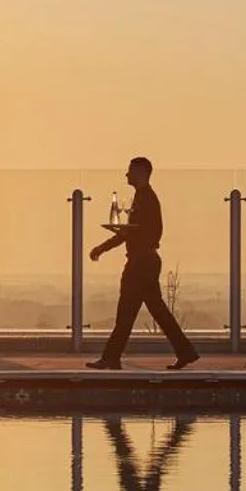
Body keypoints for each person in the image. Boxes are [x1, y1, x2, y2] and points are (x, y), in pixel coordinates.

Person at [86, 156, 200, 370]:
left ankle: (111, 357)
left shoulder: (145, 198)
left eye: (130, 171)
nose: (126, 174)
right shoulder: (144, 197)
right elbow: (137, 232)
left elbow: (133, 233)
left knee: (126, 312)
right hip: (146, 262)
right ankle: (185, 351)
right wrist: (107, 245)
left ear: (141, 172)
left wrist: (102, 247)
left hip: (140, 264)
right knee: (153, 311)